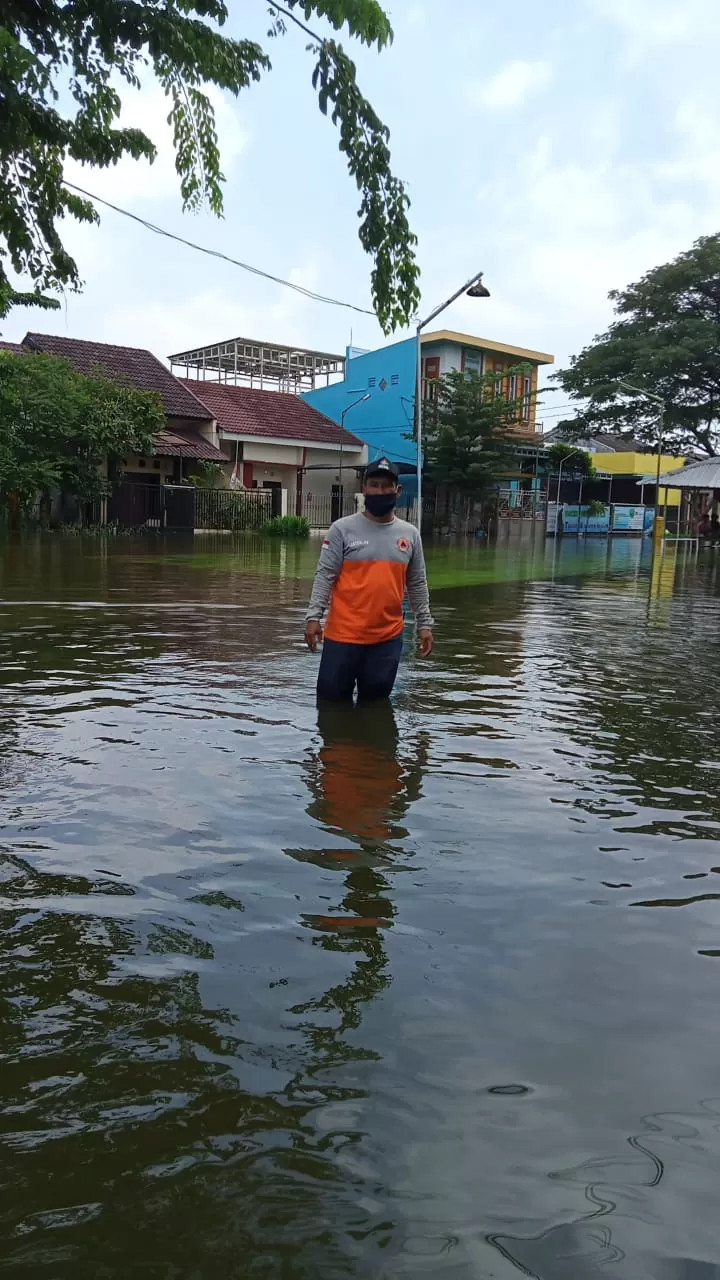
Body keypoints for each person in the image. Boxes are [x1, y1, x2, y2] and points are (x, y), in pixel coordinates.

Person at [304, 459, 434, 703]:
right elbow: (325, 575)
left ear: (398, 491)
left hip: (386, 641)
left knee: (375, 707)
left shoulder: (410, 534)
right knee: (331, 706)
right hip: (343, 638)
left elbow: (417, 583)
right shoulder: (341, 529)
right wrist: (313, 617)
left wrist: (425, 624)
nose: (380, 491)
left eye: (386, 486)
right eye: (374, 485)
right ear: (364, 488)